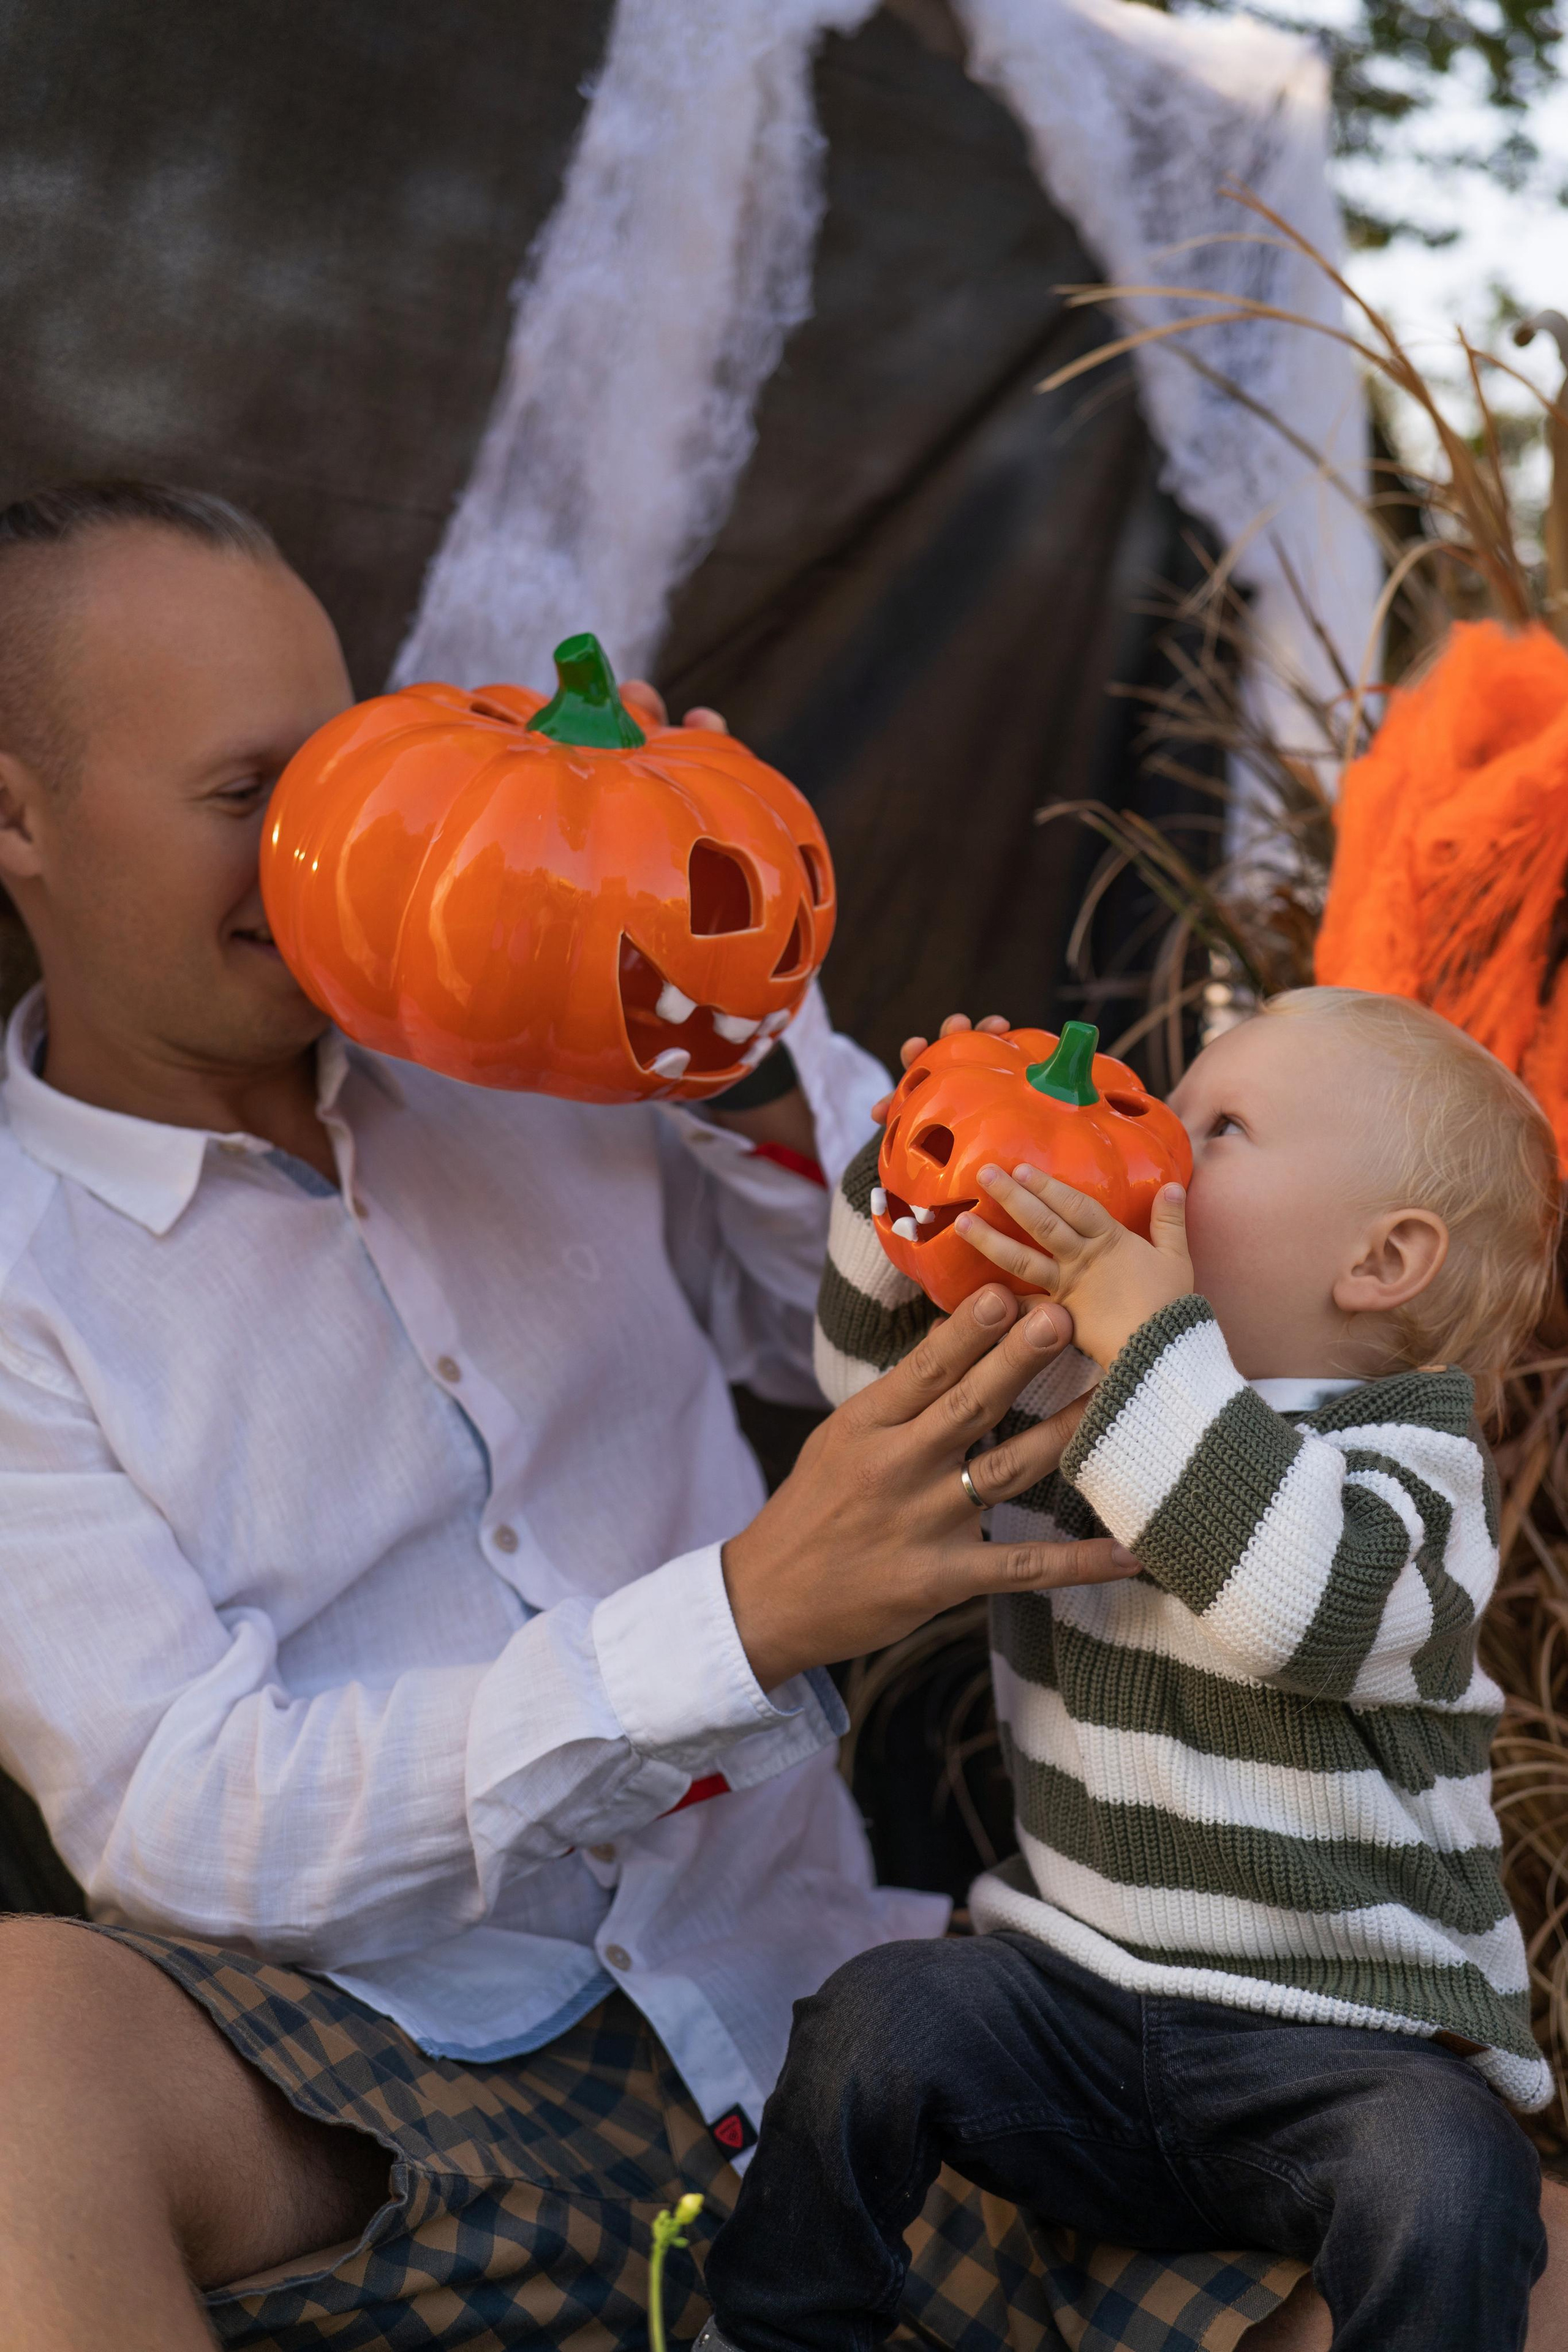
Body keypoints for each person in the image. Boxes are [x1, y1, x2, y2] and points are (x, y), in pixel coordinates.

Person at [0, 480, 1302, 2352]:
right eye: (242, 800)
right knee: (24, 2044)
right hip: (398, 2087)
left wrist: (724, 983)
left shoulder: (518, 1003)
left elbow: (899, 1321)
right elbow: (184, 1818)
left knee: (1492, 2238)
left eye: (337, 773)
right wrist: (739, 1621)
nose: (316, 848)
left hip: (819, 2017)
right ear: (17, 815)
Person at [703, 986, 1562, 2352]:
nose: (1155, 1131)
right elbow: (880, 1373)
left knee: (1451, 2181)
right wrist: (913, 1165)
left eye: (1216, 1127)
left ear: (1380, 1261)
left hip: (1338, 2052)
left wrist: (1140, 1338)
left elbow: (1296, 1598)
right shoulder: (1096, 1396)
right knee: (880, 2015)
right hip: (1074, 2015)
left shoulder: (1409, 1477)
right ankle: (771, 2333)